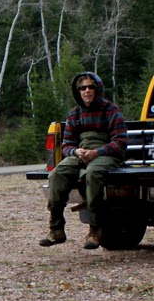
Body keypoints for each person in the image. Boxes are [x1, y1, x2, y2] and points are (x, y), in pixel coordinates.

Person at [41, 71, 127, 249]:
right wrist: (76, 151)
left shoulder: (111, 110)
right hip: (81, 154)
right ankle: (56, 229)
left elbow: (120, 142)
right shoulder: (74, 114)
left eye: (90, 87)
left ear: (98, 89)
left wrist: (97, 152)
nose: (86, 91)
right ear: (78, 91)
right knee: (57, 173)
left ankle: (95, 231)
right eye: (82, 88)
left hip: (105, 156)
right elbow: (66, 145)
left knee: (92, 174)